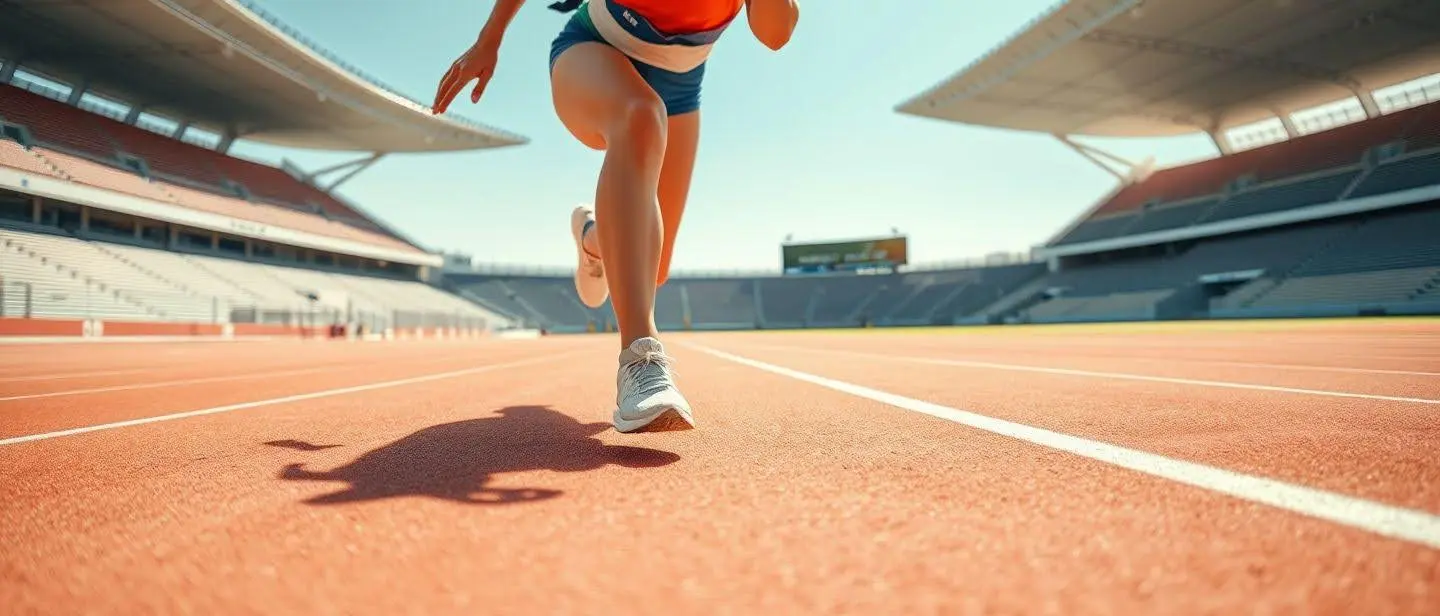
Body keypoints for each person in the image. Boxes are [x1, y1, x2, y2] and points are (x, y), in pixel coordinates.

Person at [433, 0, 798, 433]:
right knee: (640, 114)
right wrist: (489, 39)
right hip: (594, 47)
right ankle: (640, 362)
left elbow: (775, 34)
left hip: (681, 88)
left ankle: (592, 238)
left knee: (651, 269)